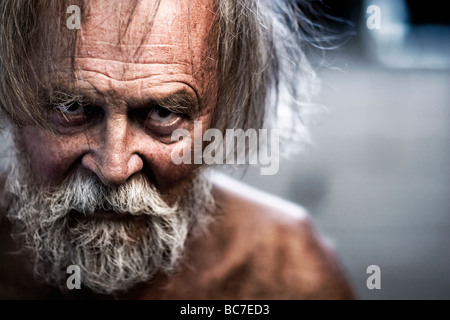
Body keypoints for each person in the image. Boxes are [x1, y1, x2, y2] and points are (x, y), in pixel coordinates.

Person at [0, 0, 354, 299]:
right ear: (11, 96)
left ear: (223, 111)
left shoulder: (286, 275)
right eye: (72, 107)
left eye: (163, 113)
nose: (114, 167)